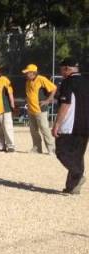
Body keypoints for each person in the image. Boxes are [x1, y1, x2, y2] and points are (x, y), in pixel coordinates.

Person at [52, 58, 89, 194]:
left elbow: (65, 104)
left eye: (61, 69)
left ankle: (78, 175)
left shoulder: (68, 82)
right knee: (78, 156)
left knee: (61, 152)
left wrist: (57, 124)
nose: (61, 72)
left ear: (67, 69)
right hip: (85, 124)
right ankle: (72, 187)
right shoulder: (86, 81)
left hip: (70, 125)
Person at [23, 64, 57, 154]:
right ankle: (37, 148)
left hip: (40, 109)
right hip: (30, 109)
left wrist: (48, 100)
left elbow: (54, 88)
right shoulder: (27, 82)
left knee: (44, 129)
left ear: (33, 72)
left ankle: (51, 148)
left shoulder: (41, 79)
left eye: (27, 72)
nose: (26, 74)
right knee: (33, 130)